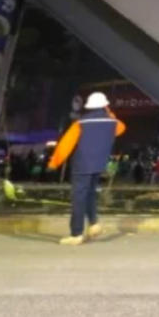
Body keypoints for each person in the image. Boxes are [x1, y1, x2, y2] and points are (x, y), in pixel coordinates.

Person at [48, 92, 126, 245]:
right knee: (90, 194)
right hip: (99, 164)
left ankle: (76, 233)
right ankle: (94, 224)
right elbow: (121, 128)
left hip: (82, 164)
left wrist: (54, 163)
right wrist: (109, 113)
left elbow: (66, 145)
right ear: (105, 105)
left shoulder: (81, 123)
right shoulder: (113, 122)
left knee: (79, 198)